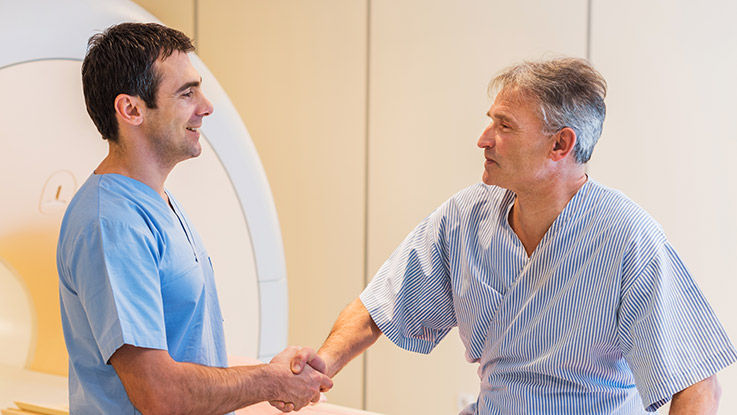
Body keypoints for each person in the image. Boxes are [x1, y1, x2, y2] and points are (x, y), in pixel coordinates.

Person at [286, 58, 737, 414]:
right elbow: (378, 306)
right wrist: (324, 365)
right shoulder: (465, 217)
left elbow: (698, 386)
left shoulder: (626, 237)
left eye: (504, 126)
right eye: (491, 122)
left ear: (560, 145)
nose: (484, 139)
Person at [56, 22, 331, 415]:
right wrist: (268, 381)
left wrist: (272, 372)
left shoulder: (158, 204)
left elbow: (190, 355)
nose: (206, 106)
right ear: (131, 109)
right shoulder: (112, 223)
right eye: (187, 93)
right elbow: (158, 392)